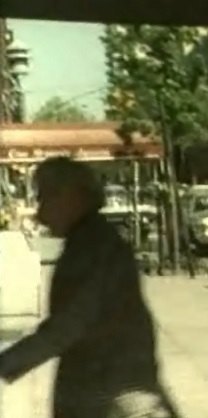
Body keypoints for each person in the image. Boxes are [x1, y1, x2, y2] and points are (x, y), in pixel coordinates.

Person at [0, 157, 178, 418]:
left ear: (73, 196)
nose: (40, 212)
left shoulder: (93, 248)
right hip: (112, 391)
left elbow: (70, 323)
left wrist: (7, 363)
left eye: (45, 197)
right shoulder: (90, 241)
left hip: (115, 395)